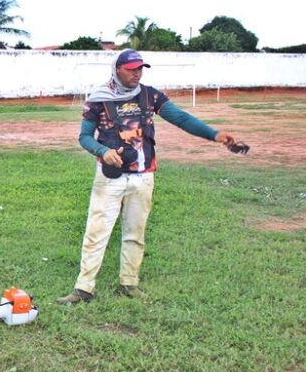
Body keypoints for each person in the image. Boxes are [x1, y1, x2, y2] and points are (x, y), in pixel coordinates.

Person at [56, 49, 240, 305]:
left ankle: (129, 283)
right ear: (117, 69)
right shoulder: (98, 100)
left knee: (135, 232)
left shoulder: (149, 95)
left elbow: (181, 118)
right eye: (131, 68)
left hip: (143, 176)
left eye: (140, 68)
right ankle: (83, 289)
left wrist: (214, 134)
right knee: (96, 232)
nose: (137, 73)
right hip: (110, 178)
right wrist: (103, 151)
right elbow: (84, 137)